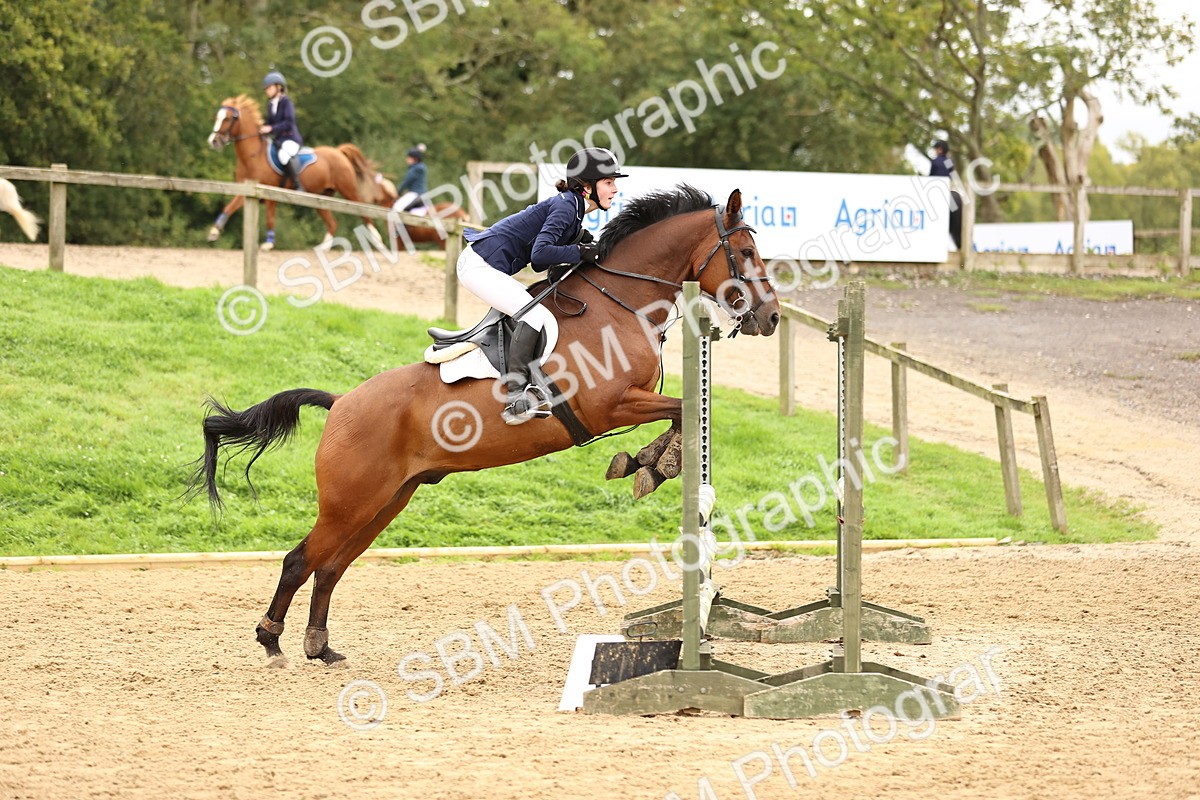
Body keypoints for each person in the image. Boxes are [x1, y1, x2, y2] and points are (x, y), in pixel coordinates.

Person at [459, 147, 625, 425]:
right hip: (478, 265)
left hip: (487, 264)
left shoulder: (573, 209)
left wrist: (588, 247)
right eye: (609, 182)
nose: (615, 189)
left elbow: (539, 264)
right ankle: (514, 397)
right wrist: (582, 252)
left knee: (538, 313)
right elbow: (540, 254)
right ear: (587, 187)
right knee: (534, 315)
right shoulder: (565, 207)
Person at [259, 71, 305, 193]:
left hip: (291, 139)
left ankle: (298, 185)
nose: (266, 90)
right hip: (279, 140)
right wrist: (262, 127)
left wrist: (271, 129)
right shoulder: (270, 105)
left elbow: (288, 122)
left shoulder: (286, 102)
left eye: (269, 87)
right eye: (266, 88)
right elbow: (269, 122)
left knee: (283, 155)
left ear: (278, 87)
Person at [930, 139, 963, 250]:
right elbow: (953, 176)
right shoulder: (949, 162)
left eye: (935, 149)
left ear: (940, 150)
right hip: (949, 194)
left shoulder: (935, 161)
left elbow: (931, 179)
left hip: (938, 193)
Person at [392, 144, 428, 214]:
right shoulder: (420, 167)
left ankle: (398, 225)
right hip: (418, 193)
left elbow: (406, 182)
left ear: (415, 159)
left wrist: (398, 192)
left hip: (415, 193)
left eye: (409, 158)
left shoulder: (416, 168)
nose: (407, 159)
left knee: (396, 208)